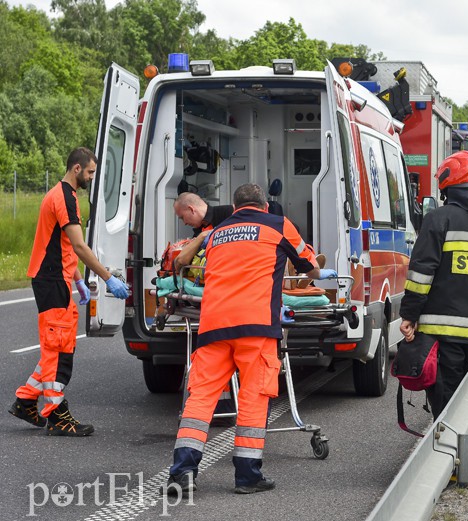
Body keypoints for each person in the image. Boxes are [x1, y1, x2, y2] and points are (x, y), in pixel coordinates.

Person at [164, 184, 336, 495]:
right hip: (256, 326)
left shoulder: (217, 233)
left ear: (234, 206)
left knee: (201, 400)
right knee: (253, 399)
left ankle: (181, 476)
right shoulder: (277, 224)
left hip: (214, 326)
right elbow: (308, 266)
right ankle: (247, 476)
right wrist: (322, 274)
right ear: (265, 206)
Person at [8, 147, 130, 436]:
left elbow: (60, 245)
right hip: (51, 280)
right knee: (58, 351)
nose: (91, 177)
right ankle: (57, 415)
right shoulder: (64, 197)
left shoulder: (62, 195)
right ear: (77, 169)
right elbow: (78, 245)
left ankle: (26, 400)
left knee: (59, 346)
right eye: (89, 172)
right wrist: (107, 277)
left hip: (56, 278)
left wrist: (77, 279)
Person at [399, 151, 468, 434]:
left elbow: (421, 275)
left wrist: (410, 315)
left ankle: (451, 466)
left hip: (440, 334)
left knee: (446, 400)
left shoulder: (438, 219)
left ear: (448, 185)